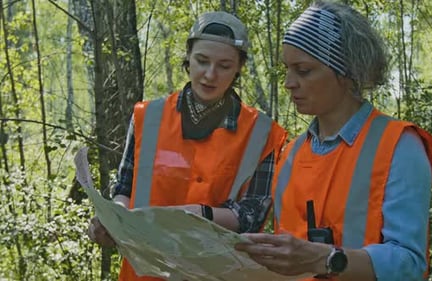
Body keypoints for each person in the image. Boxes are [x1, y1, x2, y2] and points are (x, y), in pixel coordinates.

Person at [235, 1, 432, 281]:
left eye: (303, 70)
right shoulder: (291, 154)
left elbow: (410, 264)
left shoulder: (399, 146)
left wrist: (325, 259)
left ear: (347, 73)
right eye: (287, 69)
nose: (289, 82)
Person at [86, 11, 287, 281]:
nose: (210, 75)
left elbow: (252, 215)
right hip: (144, 272)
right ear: (188, 57)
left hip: (214, 274)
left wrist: (198, 214)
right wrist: (114, 221)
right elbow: (125, 187)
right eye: (202, 61)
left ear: (239, 67)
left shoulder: (263, 134)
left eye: (224, 66)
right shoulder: (148, 117)